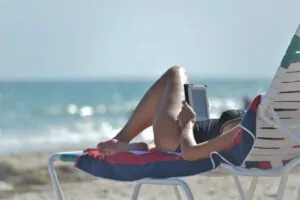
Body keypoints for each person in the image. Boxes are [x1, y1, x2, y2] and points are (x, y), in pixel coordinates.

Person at [90, 66, 245, 161]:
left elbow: (190, 153)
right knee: (173, 93)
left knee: (176, 73)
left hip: (177, 142)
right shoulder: (261, 124)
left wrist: (187, 124)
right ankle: (138, 147)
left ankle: (121, 139)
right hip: (181, 138)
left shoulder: (250, 127)